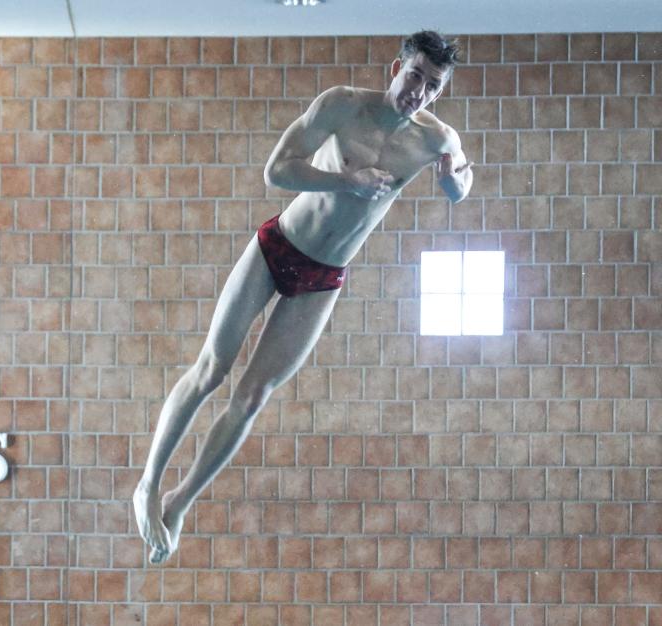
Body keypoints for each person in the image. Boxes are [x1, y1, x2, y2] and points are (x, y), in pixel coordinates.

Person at [134, 31, 473, 565]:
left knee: (252, 396)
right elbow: (277, 169)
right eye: (414, 78)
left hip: (325, 275)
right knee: (212, 368)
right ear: (395, 69)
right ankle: (149, 484)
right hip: (278, 247)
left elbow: (459, 188)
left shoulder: (436, 139)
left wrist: (453, 179)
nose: (419, 94)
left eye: (432, 87)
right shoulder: (342, 105)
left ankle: (178, 503)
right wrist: (345, 181)